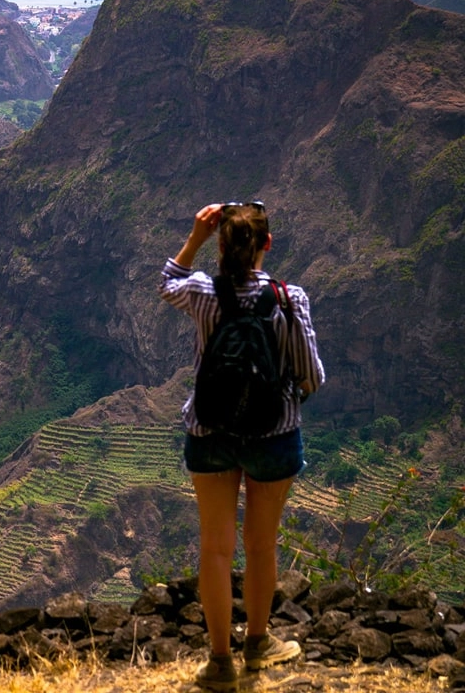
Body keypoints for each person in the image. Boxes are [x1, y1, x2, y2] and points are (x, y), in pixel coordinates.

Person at [159, 202, 325, 691]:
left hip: (209, 435)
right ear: (267, 245)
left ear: (222, 245)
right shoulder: (289, 298)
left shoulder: (203, 293)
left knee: (214, 547)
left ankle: (219, 663)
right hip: (273, 436)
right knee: (259, 545)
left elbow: (167, 282)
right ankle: (257, 643)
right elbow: (311, 376)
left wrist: (193, 239)